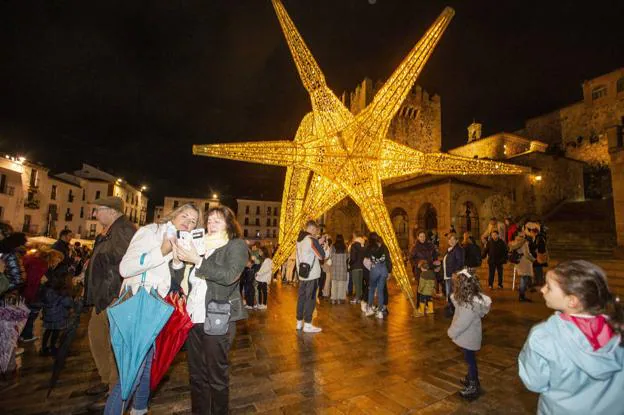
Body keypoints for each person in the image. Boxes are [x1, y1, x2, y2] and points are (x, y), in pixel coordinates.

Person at [103, 203, 200, 414]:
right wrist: (162, 250)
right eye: (185, 216)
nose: (188, 222)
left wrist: (179, 262)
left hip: (157, 311)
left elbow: (175, 283)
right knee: (131, 373)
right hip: (139, 306)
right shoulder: (150, 232)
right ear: (173, 216)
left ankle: (140, 409)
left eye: (193, 221)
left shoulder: (181, 242)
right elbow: (125, 267)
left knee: (148, 366)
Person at [518, 260, 624, 414]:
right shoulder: (617, 327)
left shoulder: (544, 336)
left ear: (572, 301)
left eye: (549, 287)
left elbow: (534, 382)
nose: (542, 290)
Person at [175, 206, 248, 414]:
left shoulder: (236, 246)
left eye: (217, 220)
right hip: (193, 316)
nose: (211, 224)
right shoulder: (199, 246)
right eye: (209, 221)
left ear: (229, 224)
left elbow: (229, 276)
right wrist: (179, 259)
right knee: (196, 375)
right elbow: (186, 281)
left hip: (218, 316)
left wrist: (197, 260)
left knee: (216, 375)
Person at [84, 197, 136, 410]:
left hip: (112, 297)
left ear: (112, 211)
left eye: (98, 210)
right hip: (103, 297)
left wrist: (113, 295)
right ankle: (107, 380)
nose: (95, 215)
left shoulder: (123, 229)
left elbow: (124, 262)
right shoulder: (112, 230)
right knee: (98, 338)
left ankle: (114, 389)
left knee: (113, 344)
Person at [447, 268, 491, 399]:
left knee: (470, 360)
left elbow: (462, 322)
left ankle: (473, 385)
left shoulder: (469, 306)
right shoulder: (469, 300)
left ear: (462, 287)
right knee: (469, 359)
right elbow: (457, 304)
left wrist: (451, 332)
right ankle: (471, 378)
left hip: (469, 338)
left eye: (456, 285)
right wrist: (454, 295)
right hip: (469, 337)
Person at [20, 248, 64, 342]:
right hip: (36, 295)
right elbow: (41, 282)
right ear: (54, 258)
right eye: (58, 260)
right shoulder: (43, 267)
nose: (58, 263)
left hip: (30, 294)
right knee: (31, 316)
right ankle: (27, 336)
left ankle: (23, 335)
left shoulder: (39, 263)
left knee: (28, 315)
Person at [295, 220, 325, 333]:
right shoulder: (311, 240)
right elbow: (321, 256)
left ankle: (299, 322)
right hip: (312, 275)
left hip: (302, 275)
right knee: (311, 299)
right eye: (315, 230)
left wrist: (318, 241)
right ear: (312, 229)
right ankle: (308, 323)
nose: (315, 232)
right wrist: (320, 243)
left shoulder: (299, 240)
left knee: (301, 298)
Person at [40, 274, 74, 356]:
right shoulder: (61, 294)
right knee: (56, 332)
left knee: (47, 331)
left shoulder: (46, 291)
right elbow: (68, 303)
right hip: (57, 317)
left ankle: (44, 347)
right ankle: (52, 347)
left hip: (48, 315)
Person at [363, 232, 392, 319]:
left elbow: (365, 257)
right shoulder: (384, 246)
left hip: (375, 269)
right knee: (380, 291)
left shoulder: (369, 247)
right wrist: (389, 271)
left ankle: (369, 309)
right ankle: (380, 312)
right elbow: (388, 259)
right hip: (383, 269)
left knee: (371, 289)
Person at [510, 225, 535, 302]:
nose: (524, 233)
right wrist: (534, 260)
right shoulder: (524, 242)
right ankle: (521, 296)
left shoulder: (514, 241)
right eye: (522, 231)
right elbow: (527, 254)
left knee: (523, 279)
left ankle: (522, 295)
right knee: (523, 279)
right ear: (519, 233)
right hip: (525, 263)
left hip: (519, 262)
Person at [443, 233, 464, 310]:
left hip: (453, 275)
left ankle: (453, 309)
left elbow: (460, 262)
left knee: (452, 293)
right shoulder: (450, 249)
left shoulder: (458, 249)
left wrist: (455, 273)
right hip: (448, 274)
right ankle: (451, 307)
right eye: (449, 239)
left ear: (457, 240)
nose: (451, 241)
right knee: (450, 292)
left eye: (453, 239)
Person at [329, 234, 348, 304]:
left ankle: (334, 298)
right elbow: (347, 257)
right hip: (342, 267)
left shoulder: (333, 246)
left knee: (334, 283)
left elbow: (330, 255)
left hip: (335, 267)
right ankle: (340, 298)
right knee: (341, 283)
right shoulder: (345, 247)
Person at [349, 231, 366, 306]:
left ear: (355, 236)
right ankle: (360, 298)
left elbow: (353, 257)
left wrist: (350, 264)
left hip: (355, 267)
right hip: (362, 267)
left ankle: (356, 298)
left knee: (356, 283)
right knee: (360, 284)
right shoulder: (363, 245)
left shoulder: (354, 245)